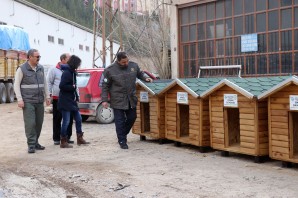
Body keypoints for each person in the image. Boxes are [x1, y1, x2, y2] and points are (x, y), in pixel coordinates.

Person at [101, 52, 153, 149]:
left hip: (131, 98)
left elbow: (140, 73)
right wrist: (104, 100)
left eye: (127, 61)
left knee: (132, 117)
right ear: (118, 61)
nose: (126, 63)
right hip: (117, 100)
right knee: (119, 121)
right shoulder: (110, 70)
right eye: (124, 62)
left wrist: (146, 78)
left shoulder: (133, 66)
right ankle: (122, 141)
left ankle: (122, 134)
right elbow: (105, 86)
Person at [14, 49, 51, 153]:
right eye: (36, 56)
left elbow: (45, 83)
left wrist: (47, 96)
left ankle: (36, 142)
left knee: (39, 123)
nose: (38, 58)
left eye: (39, 56)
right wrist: (20, 99)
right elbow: (16, 85)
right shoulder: (22, 69)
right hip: (28, 101)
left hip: (39, 100)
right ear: (30, 57)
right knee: (30, 123)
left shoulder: (40, 68)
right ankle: (31, 144)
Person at [58, 55, 90, 148]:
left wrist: (76, 96)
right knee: (66, 121)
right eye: (78, 64)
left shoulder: (72, 72)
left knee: (79, 119)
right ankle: (63, 141)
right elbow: (62, 86)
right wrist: (72, 87)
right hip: (65, 101)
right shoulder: (67, 73)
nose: (79, 66)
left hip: (72, 100)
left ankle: (80, 138)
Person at [47, 53, 74, 145]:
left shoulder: (71, 70)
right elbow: (49, 83)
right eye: (69, 58)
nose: (71, 60)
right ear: (63, 59)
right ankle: (57, 138)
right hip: (57, 98)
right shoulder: (54, 70)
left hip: (69, 98)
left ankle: (67, 137)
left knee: (69, 119)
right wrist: (49, 94)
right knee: (57, 118)